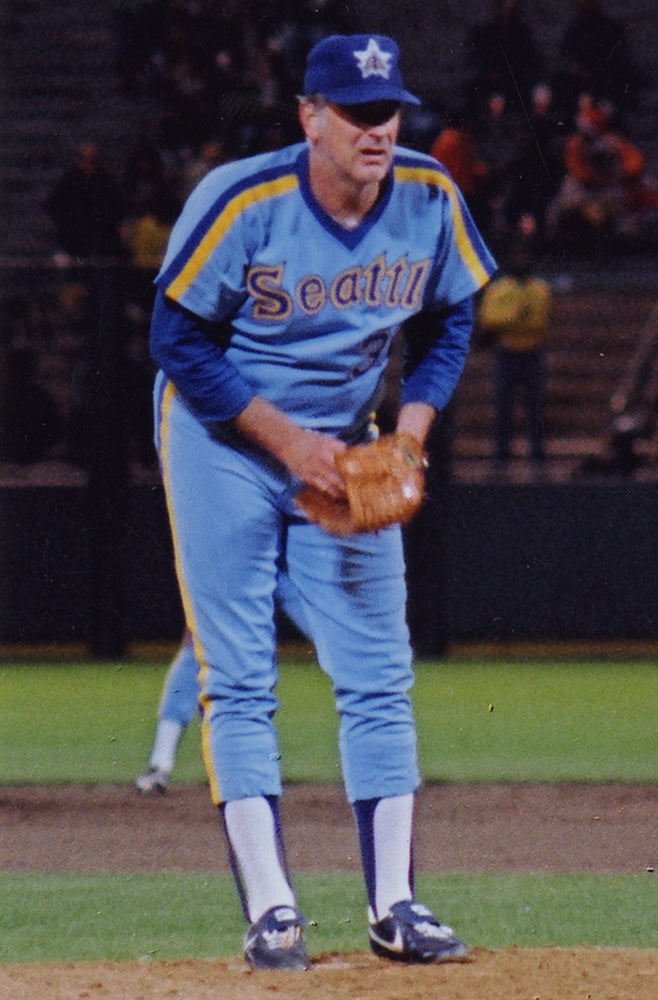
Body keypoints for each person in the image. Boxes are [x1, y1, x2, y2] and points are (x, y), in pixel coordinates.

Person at [149, 32, 496, 971]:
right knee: (239, 673)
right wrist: (289, 443)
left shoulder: (427, 197)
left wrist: (409, 436)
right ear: (310, 116)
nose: (375, 129)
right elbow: (175, 340)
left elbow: (452, 316)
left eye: (386, 111)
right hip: (224, 441)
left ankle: (396, 905)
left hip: (346, 450)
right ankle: (272, 910)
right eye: (353, 111)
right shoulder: (243, 201)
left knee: (380, 672)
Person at [477, 247, 553, 472]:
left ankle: (537, 456)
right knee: (504, 408)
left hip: (532, 353)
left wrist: (509, 321)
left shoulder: (541, 290)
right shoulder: (498, 289)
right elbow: (489, 320)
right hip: (507, 353)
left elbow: (538, 321)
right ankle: (501, 456)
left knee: (535, 409)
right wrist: (516, 317)